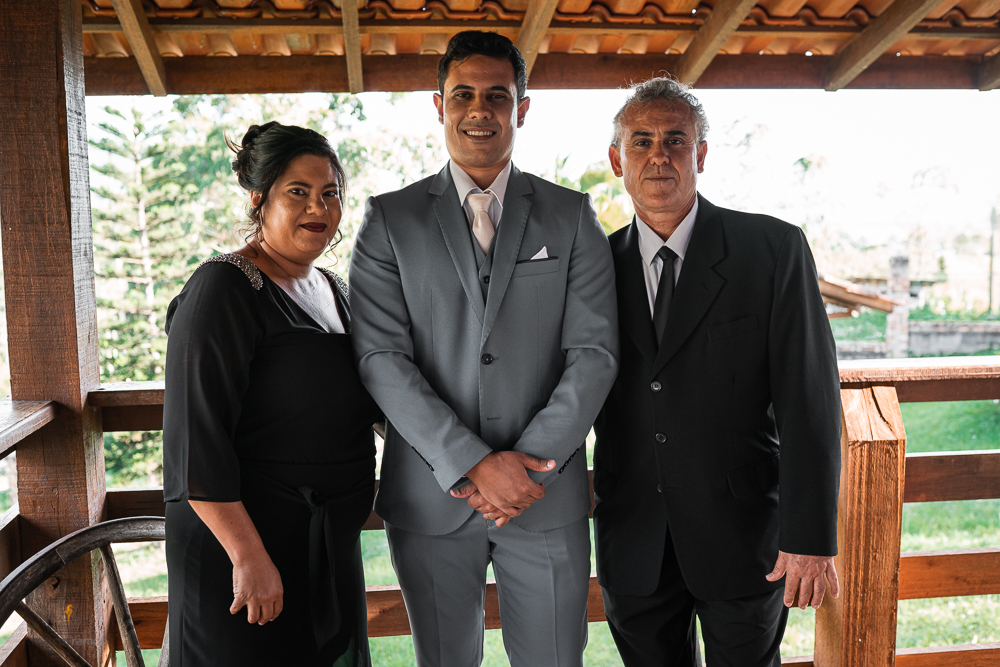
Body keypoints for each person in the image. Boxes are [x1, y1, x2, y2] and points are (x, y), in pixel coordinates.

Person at [349, 30, 618, 667]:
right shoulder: (389, 220)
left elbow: (595, 354)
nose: (480, 110)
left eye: (497, 95)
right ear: (438, 105)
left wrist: (525, 470)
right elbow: (381, 359)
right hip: (432, 495)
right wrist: (471, 463)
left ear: (521, 108)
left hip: (543, 496)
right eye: (462, 94)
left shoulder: (571, 216)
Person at [593, 77, 842, 667]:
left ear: (700, 154)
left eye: (675, 140)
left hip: (743, 536)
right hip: (634, 538)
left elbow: (810, 399)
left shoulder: (772, 249)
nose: (659, 155)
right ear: (617, 160)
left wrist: (809, 539)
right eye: (641, 141)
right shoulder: (594, 266)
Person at [162, 122, 379, 667]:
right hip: (244, 553)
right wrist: (248, 556)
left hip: (325, 548)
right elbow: (196, 440)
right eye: (298, 191)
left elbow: (375, 398)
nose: (318, 207)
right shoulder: (223, 287)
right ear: (259, 198)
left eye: (330, 192)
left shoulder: (336, 291)